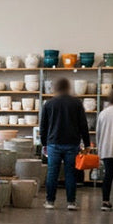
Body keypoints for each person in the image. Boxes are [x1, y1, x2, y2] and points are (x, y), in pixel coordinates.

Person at [39, 78, 91, 210]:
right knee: (70, 173)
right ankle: (71, 202)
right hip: (72, 143)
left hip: (53, 143)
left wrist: (44, 144)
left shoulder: (49, 104)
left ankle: (50, 201)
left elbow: (43, 126)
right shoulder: (76, 103)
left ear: (56, 88)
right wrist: (87, 144)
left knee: (52, 173)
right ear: (68, 87)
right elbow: (83, 125)